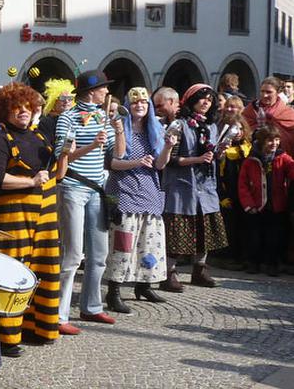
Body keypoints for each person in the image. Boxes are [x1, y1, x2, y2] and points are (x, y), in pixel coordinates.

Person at [0, 82, 66, 356]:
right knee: (12, 273)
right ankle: (6, 337)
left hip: (44, 218)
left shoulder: (39, 138)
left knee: (45, 270)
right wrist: (29, 181)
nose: (23, 112)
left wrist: (66, 152)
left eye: (27, 107)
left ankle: (38, 327)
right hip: (12, 218)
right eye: (16, 107)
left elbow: (56, 174)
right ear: (4, 111)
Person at [55, 70, 126, 335]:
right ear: (91, 92)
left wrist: (118, 131)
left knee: (99, 254)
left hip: (97, 190)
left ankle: (92, 306)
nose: (107, 92)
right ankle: (59, 313)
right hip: (73, 187)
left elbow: (116, 155)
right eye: (104, 88)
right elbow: (61, 158)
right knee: (73, 254)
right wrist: (89, 146)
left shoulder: (103, 117)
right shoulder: (68, 117)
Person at [103, 87, 174, 313]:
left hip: (149, 193)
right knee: (122, 245)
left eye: (144, 102)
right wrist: (137, 162)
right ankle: (114, 291)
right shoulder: (120, 128)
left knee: (149, 243)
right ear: (128, 106)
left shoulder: (155, 130)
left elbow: (160, 164)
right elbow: (115, 162)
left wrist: (169, 147)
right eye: (135, 103)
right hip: (123, 193)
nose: (140, 105)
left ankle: (145, 284)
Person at [160, 84, 228, 291]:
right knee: (178, 232)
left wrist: (220, 152)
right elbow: (170, 159)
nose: (206, 102)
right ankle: (169, 273)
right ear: (191, 101)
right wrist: (197, 159)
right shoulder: (179, 125)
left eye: (209, 99)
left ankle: (200, 269)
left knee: (204, 229)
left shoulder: (212, 127)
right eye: (202, 98)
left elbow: (212, 157)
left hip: (205, 186)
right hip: (182, 187)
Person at [238, 125, 294, 276]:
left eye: (277, 140)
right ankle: (253, 263)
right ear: (262, 141)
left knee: (275, 238)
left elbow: (292, 170)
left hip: (276, 205)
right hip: (256, 205)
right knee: (254, 237)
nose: (274, 144)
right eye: (270, 140)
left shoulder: (283, 158)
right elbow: (243, 184)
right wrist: (248, 205)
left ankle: (272, 264)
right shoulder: (250, 160)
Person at [215, 96, 252, 271]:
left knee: (243, 225)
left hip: (244, 191)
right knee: (228, 224)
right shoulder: (220, 140)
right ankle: (226, 257)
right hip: (226, 190)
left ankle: (241, 256)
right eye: (228, 107)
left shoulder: (248, 148)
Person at [243, 77, 294, 156]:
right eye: (262, 91)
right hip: (252, 156)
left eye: (269, 92)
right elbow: (243, 130)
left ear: (278, 93)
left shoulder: (287, 113)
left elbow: (290, 138)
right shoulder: (250, 110)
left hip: (278, 158)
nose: (264, 95)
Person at [37, 78, 75, 146]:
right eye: (62, 98)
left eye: (70, 98)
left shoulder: (77, 117)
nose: (66, 101)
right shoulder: (46, 122)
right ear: (54, 102)